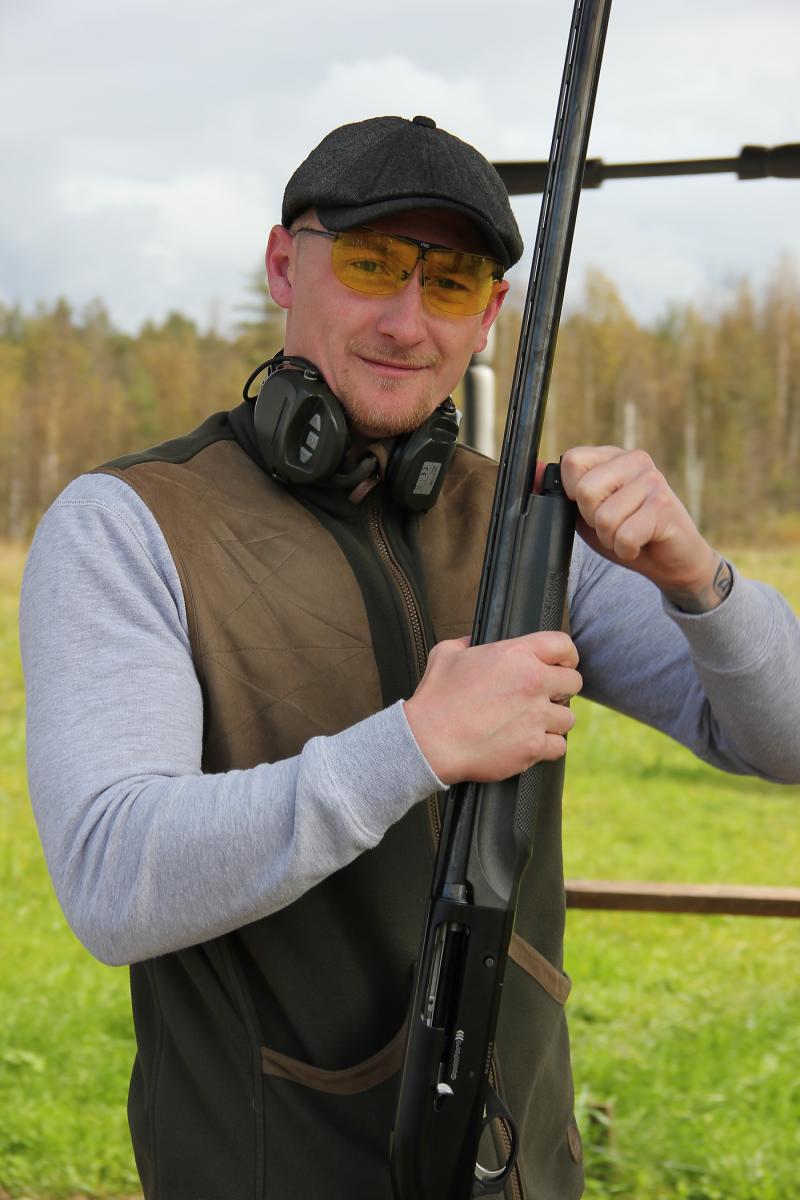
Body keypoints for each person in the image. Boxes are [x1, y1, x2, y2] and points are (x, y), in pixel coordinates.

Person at [20, 115, 800, 1200]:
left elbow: (782, 739)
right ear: (284, 266)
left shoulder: (520, 526)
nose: (405, 320)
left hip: (520, 1168)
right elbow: (114, 879)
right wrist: (415, 745)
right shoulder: (129, 524)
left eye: (450, 282)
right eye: (371, 263)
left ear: (489, 315)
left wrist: (697, 579)